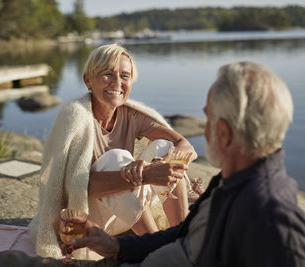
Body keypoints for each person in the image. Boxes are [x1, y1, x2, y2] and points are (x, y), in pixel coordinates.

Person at [68, 61, 305, 266]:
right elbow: (184, 234)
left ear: (224, 134)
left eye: (207, 120)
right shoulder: (231, 183)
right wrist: (116, 245)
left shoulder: (275, 219)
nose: (204, 131)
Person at [28, 43, 197, 259]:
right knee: (117, 158)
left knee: (165, 147)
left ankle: (181, 236)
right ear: (88, 80)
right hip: (89, 219)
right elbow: (72, 188)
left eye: (124, 76)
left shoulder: (131, 115)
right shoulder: (75, 117)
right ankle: (159, 252)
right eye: (108, 74)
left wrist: (159, 164)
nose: (117, 83)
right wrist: (143, 175)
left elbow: (185, 146)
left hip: (126, 212)